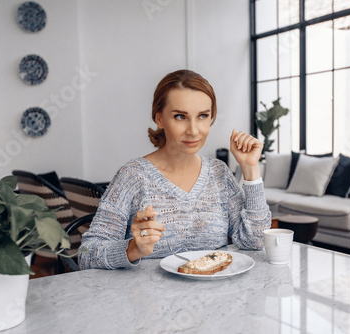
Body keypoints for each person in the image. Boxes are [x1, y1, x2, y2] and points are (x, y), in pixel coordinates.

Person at [79, 69, 271, 270]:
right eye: (180, 116)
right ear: (159, 118)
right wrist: (133, 248)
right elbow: (87, 255)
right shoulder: (133, 176)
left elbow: (254, 241)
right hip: (149, 299)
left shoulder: (218, 173)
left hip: (214, 296)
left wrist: (250, 169)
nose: (194, 130)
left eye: (203, 116)